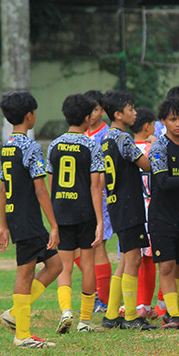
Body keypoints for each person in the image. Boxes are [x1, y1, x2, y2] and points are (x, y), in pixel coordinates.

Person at [0, 91, 64, 348]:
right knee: (25, 274)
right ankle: (22, 334)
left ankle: (15, 313)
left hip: (17, 217)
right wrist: (54, 225)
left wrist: (3, 224)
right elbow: (41, 189)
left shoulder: (7, 147)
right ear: (29, 115)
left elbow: (3, 188)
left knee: (55, 265)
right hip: (28, 219)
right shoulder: (30, 147)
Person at [45, 94, 105, 334]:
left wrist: (53, 218)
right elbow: (95, 186)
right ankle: (86, 321)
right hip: (85, 212)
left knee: (64, 265)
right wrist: (100, 221)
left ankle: (66, 311)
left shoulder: (54, 145)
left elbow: (50, 183)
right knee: (88, 264)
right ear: (88, 118)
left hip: (61, 211)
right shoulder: (91, 145)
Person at [99, 90, 155, 330]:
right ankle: (131, 317)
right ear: (118, 114)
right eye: (131, 109)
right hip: (129, 203)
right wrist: (155, 147)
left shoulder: (106, 138)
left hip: (115, 202)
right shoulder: (123, 139)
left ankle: (111, 315)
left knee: (124, 260)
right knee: (133, 259)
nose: (135, 113)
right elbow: (147, 165)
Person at [148, 96, 179, 329]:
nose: (178, 124)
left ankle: (171, 311)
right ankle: (174, 315)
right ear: (163, 122)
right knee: (166, 266)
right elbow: (163, 182)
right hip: (162, 216)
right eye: (172, 119)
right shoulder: (158, 148)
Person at [84, 89, 113, 312]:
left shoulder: (105, 134)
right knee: (82, 248)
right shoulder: (81, 134)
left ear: (102, 110)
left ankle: (102, 299)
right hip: (81, 198)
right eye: (89, 109)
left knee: (98, 244)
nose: (92, 114)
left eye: (95, 109)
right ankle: (96, 294)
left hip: (100, 197)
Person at [132, 108, 161, 319]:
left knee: (133, 259)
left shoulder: (127, 148)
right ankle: (147, 304)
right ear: (147, 127)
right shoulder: (155, 148)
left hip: (132, 209)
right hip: (152, 208)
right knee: (150, 260)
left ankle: (134, 303)